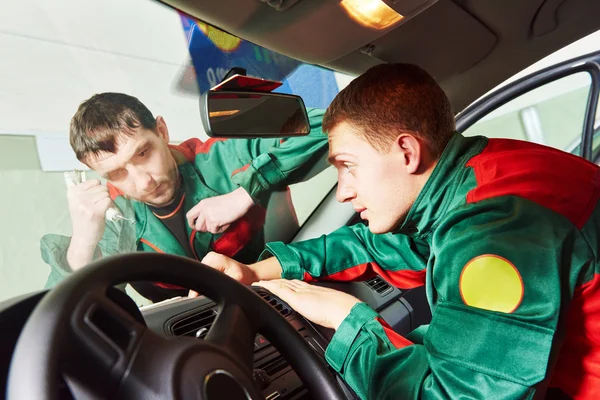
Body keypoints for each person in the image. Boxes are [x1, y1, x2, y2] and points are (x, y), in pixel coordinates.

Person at [200, 63, 600, 399]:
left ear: (407, 152)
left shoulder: (493, 229)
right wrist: (257, 272)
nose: (342, 192)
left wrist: (349, 323)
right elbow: (379, 247)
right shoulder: (478, 177)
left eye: (347, 165)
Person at [41, 92, 328, 302]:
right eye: (116, 173)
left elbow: (331, 125)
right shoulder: (114, 216)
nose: (143, 181)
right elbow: (67, 315)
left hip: (290, 299)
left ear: (162, 132)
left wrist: (245, 192)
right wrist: (81, 246)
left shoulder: (225, 156)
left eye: (143, 153)